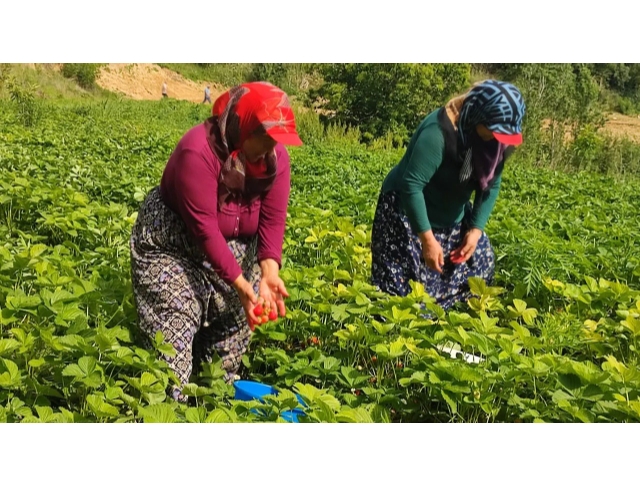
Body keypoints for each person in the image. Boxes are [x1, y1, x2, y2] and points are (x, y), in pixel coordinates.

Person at [130, 81, 303, 402]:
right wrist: (241, 284)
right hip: (173, 248)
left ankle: (213, 403)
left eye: (276, 142)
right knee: (174, 332)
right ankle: (171, 410)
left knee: (230, 340)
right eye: (264, 139)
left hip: (234, 251)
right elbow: (206, 230)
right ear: (243, 126)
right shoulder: (197, 152)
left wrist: (269, 272)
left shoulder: (275, 158)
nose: (271, 149)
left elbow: (273, 219)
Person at [371, 79, 525, 311]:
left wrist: (475, 230)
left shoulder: (493, 143)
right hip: (406, 213)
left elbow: (491, 185)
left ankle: (451, 324)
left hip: (451, 214)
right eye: (495, 132)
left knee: (479, 265)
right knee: (403, 296)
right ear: (477, 116)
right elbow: (412, 186)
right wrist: (427, 240)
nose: (498, 140)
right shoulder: (438, 133)